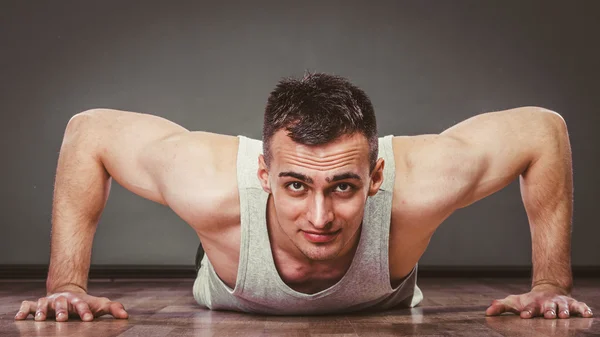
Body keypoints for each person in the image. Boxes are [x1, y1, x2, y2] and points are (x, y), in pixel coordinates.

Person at [15, 73, 593, 321]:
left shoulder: (421, 183)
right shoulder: (208, 181)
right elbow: (90, 132)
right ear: (264, 174)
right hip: (232, 260)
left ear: (376, 177)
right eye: (296, 185)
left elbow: (541, 130)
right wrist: (65, 286)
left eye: (343, 187)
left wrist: (550, 284)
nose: (320, 217)